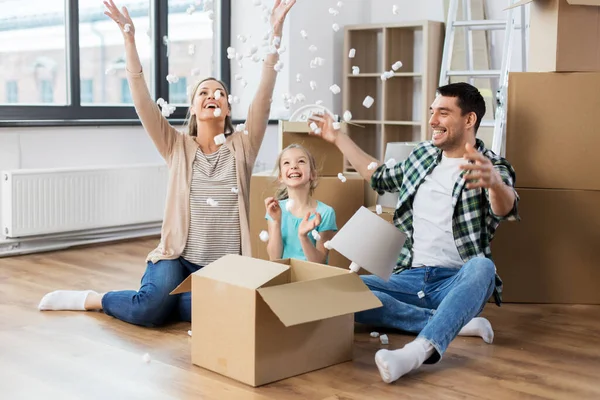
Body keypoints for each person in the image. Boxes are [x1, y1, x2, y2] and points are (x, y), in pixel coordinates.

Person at [37, 0, 296, 327]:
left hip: (224, 266)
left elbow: (265, 93)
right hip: (177, 258)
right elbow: (142, 101)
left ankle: (165, 301)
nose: (212, 96)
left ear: (228, 108)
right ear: (193, 108)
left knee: (218, 309)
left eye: (219, 93)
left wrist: (275, 33)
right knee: (149, 312)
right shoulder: (176, 146)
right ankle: (95, 299)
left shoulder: (243, 146)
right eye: (203, 93)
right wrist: (129, 41)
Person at [309, 82, 519, 383]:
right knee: (339, 289)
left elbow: (505, 207)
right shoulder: (422, 156)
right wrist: (336, 137)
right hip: (410, 278)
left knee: (484, 267)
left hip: (458, 281)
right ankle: (452, 322)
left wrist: (494, 183)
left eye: (443, 113)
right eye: (433, 112)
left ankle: (416, 352)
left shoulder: (493, 166)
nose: (432, 121)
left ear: (469, 120)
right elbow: (378, 177)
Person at [264, 144, 337, 264]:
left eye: (301, 161)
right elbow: (274, 258)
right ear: (281, 177)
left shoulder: (325, 213)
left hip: (312, 279)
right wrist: (277, 222)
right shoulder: (275, 210)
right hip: (284, 276)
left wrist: (303, 237)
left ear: (312, 174)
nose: (293, 166)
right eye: (286, 163)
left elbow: (320, 262)